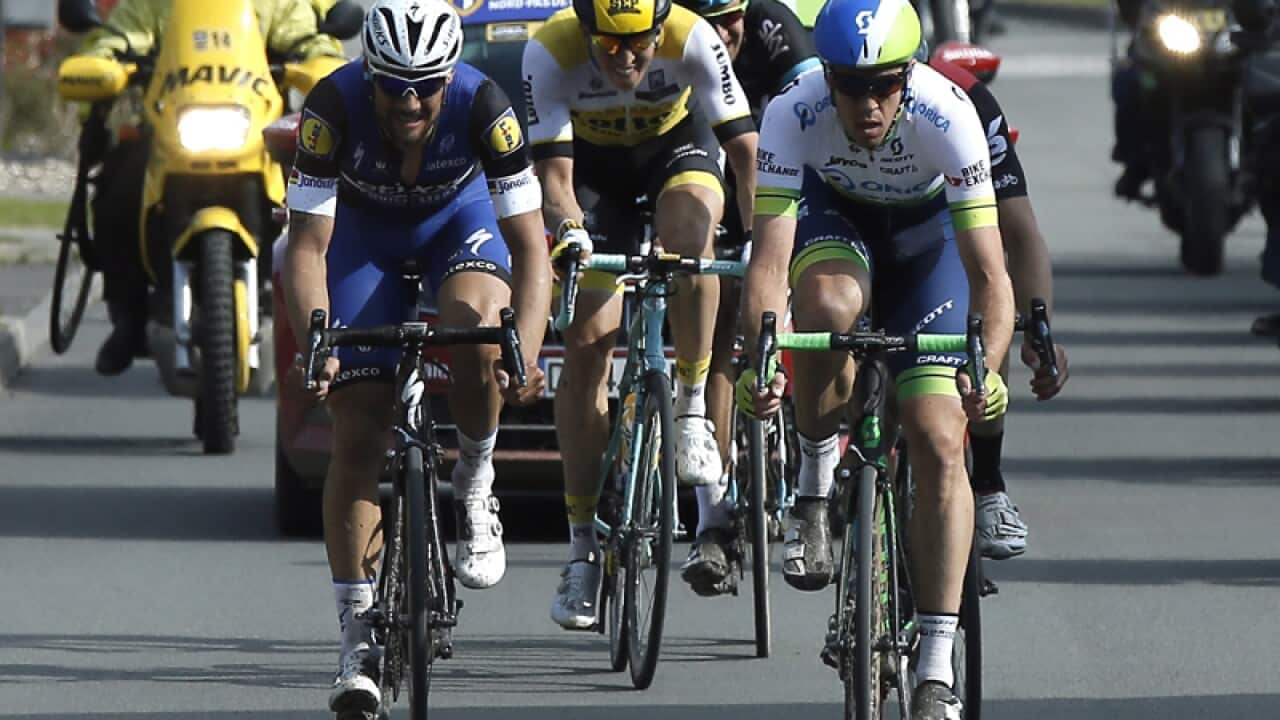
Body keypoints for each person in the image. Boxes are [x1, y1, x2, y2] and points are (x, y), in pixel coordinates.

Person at [737, 0, 1014, 716]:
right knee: (825, 309)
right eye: (850, 85)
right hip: (839, 226)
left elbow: (991, 275)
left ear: (910, 74)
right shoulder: (792, 110)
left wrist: (984, 368)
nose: (867, 103)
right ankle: (814, 486)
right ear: (824, 76)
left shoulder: (946, 113)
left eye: (886, 84)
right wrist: (760, 358)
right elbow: (768, 262)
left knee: (936, 434)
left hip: (931, 252)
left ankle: (934, 667)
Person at [279, 0, 551, 715]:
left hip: (456, 224)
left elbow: (531, 250)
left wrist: (520, 345)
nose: (410, 101)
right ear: (368, 72)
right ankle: (356, 642)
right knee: (358, 430)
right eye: (393, 84)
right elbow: (305, 248)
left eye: (426, 85)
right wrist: (317, 340)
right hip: (360, 235)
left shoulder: (485, 108)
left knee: (474, 328)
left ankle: (476, 481)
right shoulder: (331, 106)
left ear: (448, 75)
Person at [522, 0, 758, 629]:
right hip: (590, 175)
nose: (625, 59)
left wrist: (764, 237)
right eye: (610, 45)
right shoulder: (550, 50)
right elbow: (553, 174)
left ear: (660, 28)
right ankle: (581, 552)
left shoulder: (694, 39)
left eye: (639, 44)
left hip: (675, 151)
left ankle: (690, 408)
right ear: (585, 31)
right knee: (589, 347)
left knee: (693, 235)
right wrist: (571, 230)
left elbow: (745, 155)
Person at [75, 0, 346, 377]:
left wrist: (319, 61)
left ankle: (322, 319)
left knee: (318, 198)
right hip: (173, 129)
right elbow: (121, 35)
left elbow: (308, 38)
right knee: (117, 187)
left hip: (254, 128)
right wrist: (104, 61)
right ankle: (128, 316)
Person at [670, 0, 818, 595]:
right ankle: (713, 518)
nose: (723, 31)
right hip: (713, 171)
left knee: (809, 301)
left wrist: (773, 248)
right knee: (724, 324)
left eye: (731, 17)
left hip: (784, 175)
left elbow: (814, 112)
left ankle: (817, 473)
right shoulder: (681, 43)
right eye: (709, 19)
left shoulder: (772, 27)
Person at [928, 53, 1070, 559]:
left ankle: (988, 484)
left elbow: (1021, 231)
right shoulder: (825, 87)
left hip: (947, 227)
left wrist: (1039, 331)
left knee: (992, 306)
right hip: (863, 227)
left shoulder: (968, 101)